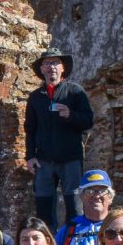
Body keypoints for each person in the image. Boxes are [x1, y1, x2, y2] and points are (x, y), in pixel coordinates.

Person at [25, 47, 95, 229]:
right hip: (43, 160)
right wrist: (30, 156)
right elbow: (30, 129)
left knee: (75, 206)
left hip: (71, 157)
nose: (51, 67)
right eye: (47, 63)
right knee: (43, 206)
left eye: (56, 63)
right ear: (41, 69)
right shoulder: (35, 98)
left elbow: (88, 121)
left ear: (63, 67)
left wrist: (71, 115)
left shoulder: (75, 92)